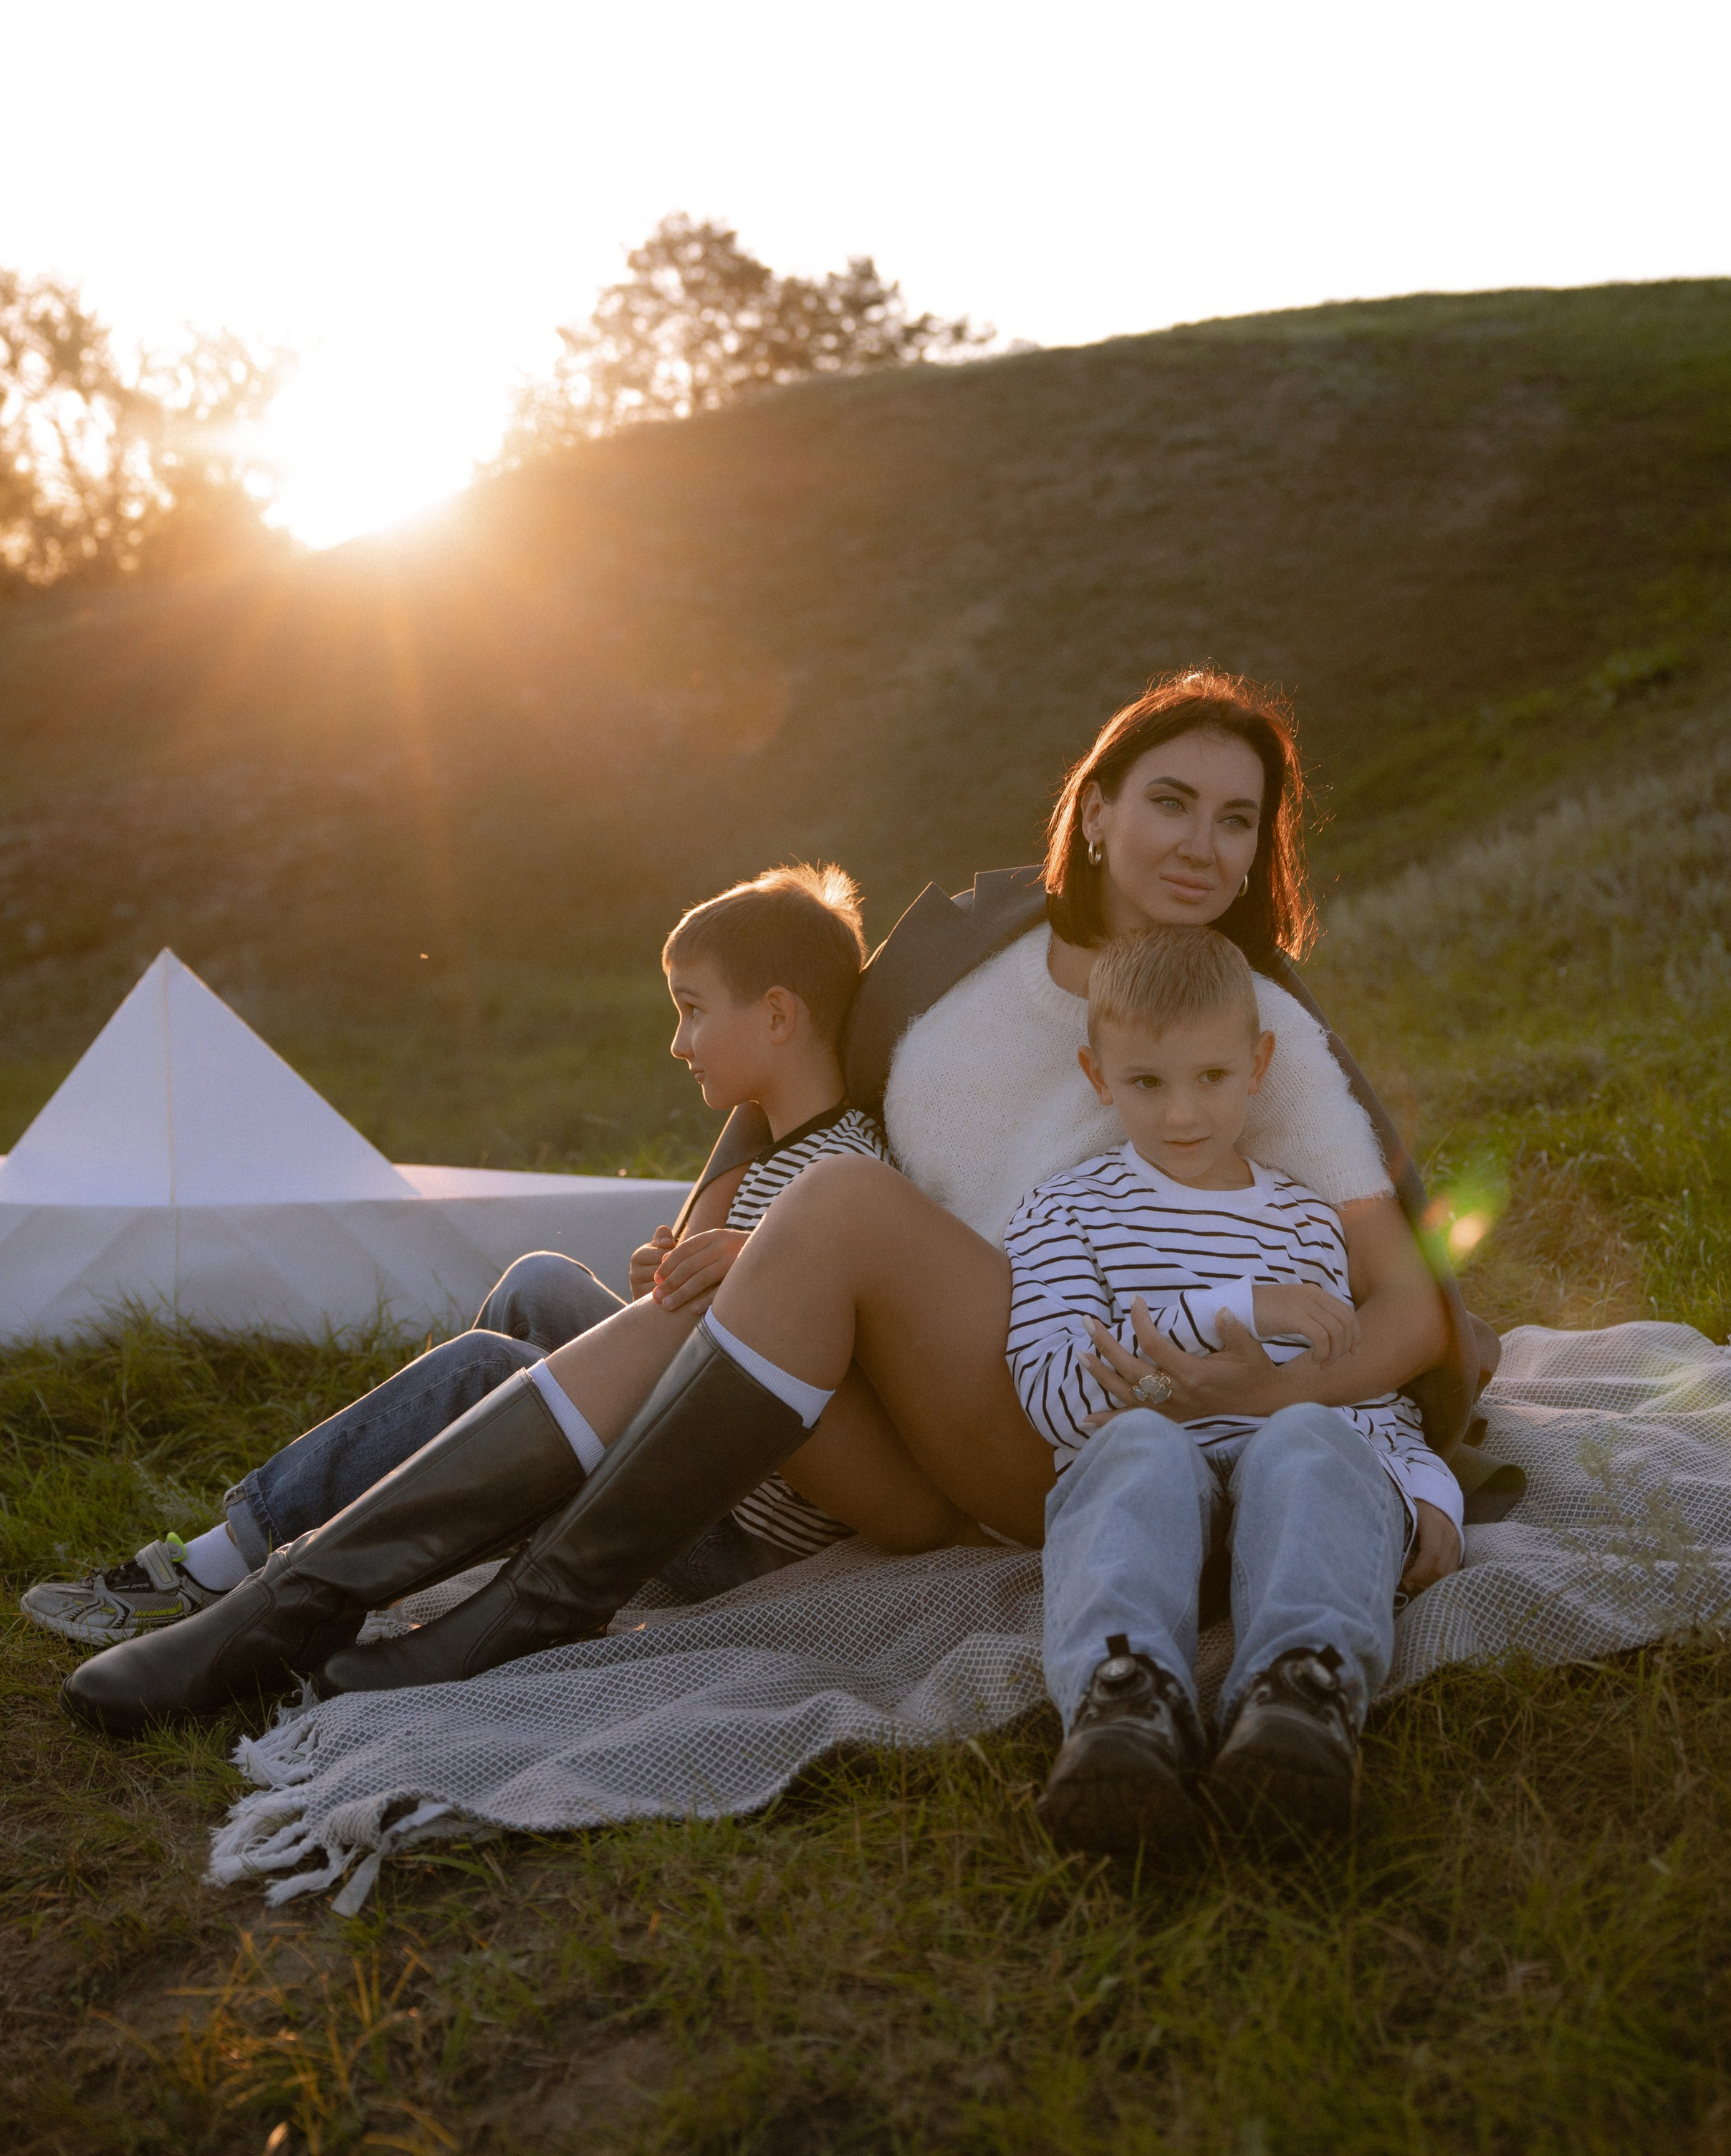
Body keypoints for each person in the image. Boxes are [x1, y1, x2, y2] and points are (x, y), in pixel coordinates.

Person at [60, 670, 1493, 1733]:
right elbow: (791, 1057)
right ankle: (287, 1608)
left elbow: (1409, 1303)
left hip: (1079, 1412)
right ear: (1097, 810)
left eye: (1237, 821)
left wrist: (1282, 1386)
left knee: (848, 1209)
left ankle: (519, 1608)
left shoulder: (1261, 1029)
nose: (1202, 842)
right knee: (652, 1314)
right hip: (895, 1412)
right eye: (1170, 799)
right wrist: (710, 1218)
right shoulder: (968, 954)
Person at [61, 861, 976, 1736]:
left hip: (733, 1515)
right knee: (539, 1280)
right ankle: (453, 1485)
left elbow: (832, 1374)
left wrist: (732, 1285)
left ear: (778, 1015)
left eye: (693, 1011)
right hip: (711, 1452)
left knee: (487, 1368)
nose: (676, 1040)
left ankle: (236, 1567)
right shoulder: (774, 1157)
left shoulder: (843, 1181)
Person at [1007, 922, 1462, 1864]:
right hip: (1146, 1525)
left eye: (1211, 1077)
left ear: (1258, 1064)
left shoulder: (1302, 1218)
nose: (1182, 1114)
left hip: (1299, 1521)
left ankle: (1299, 1697)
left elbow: (1364, 1400)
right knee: (1136, 1449)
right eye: (1146, 1082)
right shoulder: (1066, 1210)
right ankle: (1123, 1707)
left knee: (1307, 1434)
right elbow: (1053, 1388)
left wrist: (1431, 1493)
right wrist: (1242, 1304)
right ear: (1098, 1076)